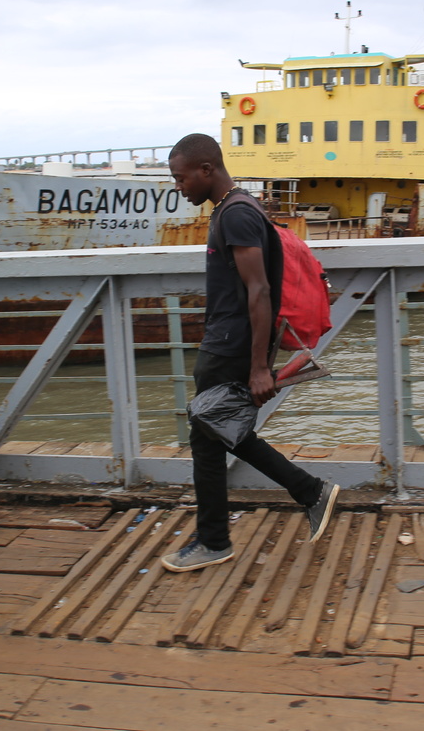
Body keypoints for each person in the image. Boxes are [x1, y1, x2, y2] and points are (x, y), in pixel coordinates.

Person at [161, 133, 339, 572]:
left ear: (206, 170)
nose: (178, 187)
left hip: (230, 348)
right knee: (220, 431)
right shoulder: (238, 207)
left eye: (181, 178)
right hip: (229, 343)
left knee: (209, 436)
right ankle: (307, 492)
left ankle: (216, 539)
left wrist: (259, 367)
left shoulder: (237, 214)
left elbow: (259, 291)